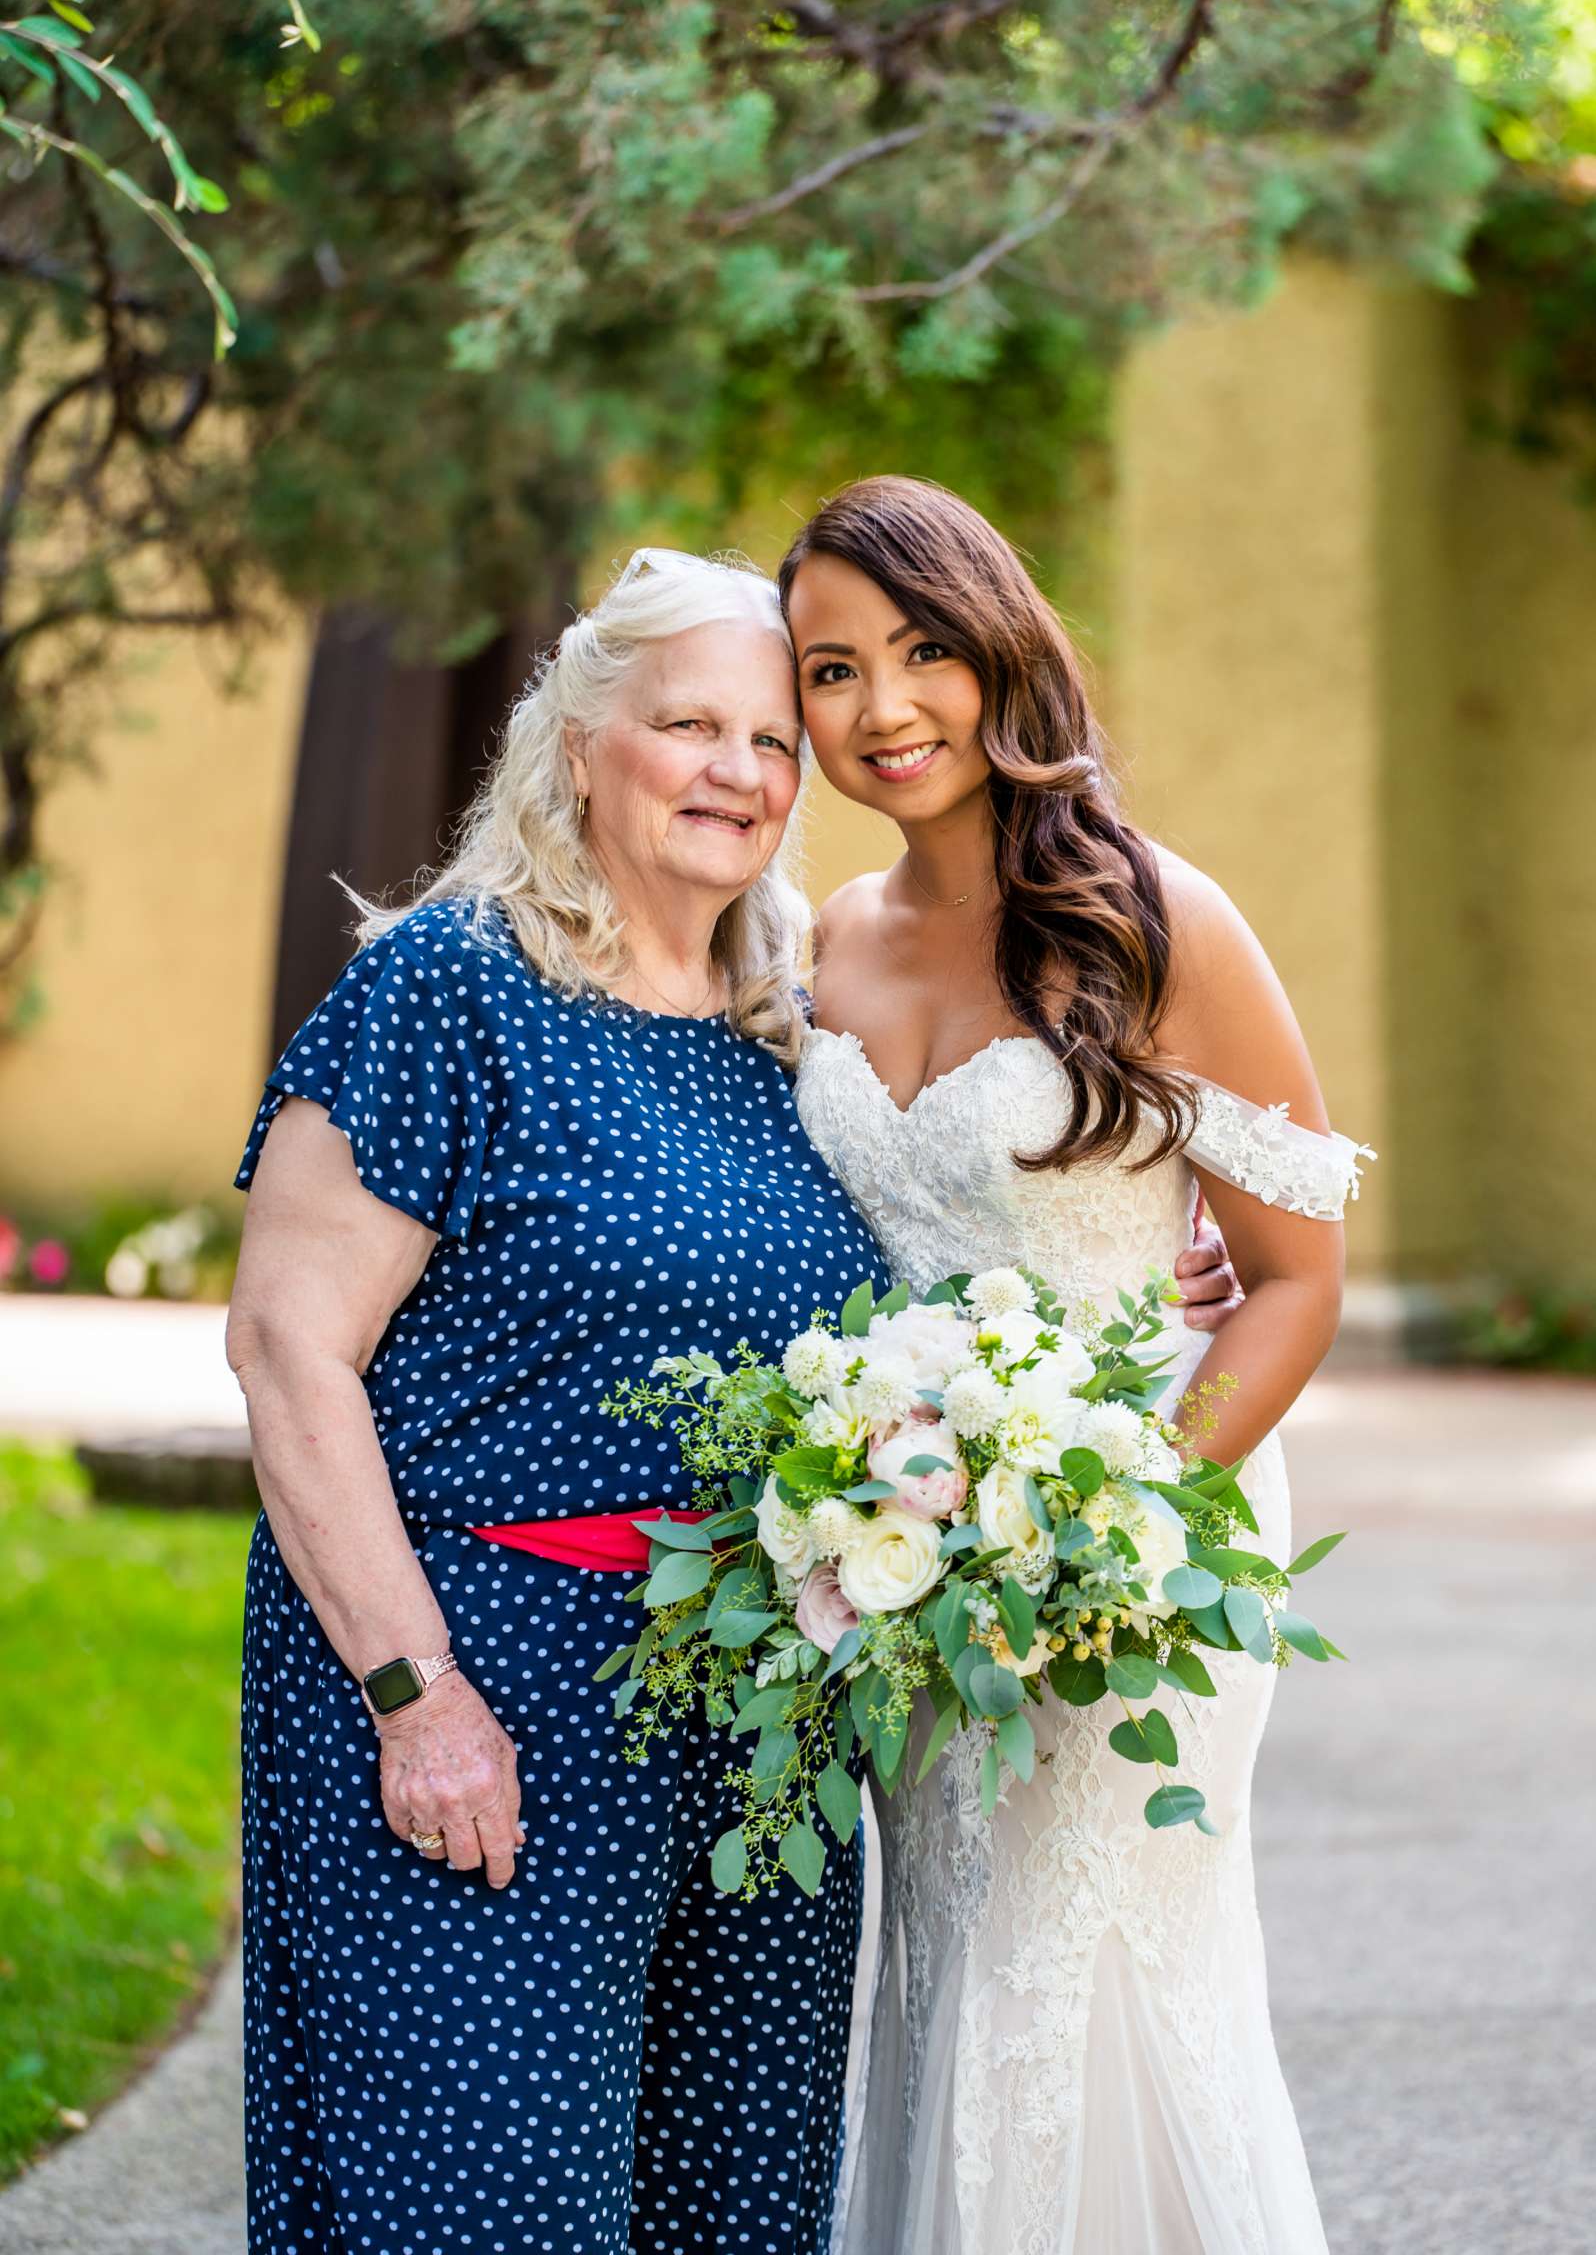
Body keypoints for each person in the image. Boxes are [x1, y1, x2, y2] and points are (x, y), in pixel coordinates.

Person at [225, 550, 889, 2255]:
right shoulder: (450, 987)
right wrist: (413, 1693)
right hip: (484, 1690)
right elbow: (290, 1349)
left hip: (757, 1729)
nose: (739, 771)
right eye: (690, 724)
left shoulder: (794, 1027)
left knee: (731, 2208)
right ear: (581, 740)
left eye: (770, 738)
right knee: (486, 2203)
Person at [779, 477, 1370, 2255]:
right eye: (829, 670)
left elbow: (1293, 1277)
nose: (883, 708)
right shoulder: (811, 947)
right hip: (906, 1565)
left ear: (999, 647)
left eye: (923, 650)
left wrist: (1115, 1530)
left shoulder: (1155, 917)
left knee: (1081, 1971)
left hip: (1142, 1565)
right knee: (954, 1964)